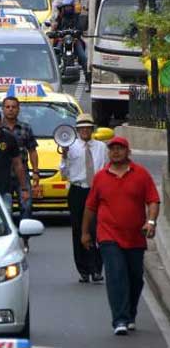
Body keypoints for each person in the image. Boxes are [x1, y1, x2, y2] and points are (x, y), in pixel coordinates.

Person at [82, 136, 160, 336]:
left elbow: (153, 200)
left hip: (135, 236)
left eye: (120, 148)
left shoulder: (141, 175)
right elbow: (90, 207)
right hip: (108, 235)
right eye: (112, 149)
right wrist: (85, 233)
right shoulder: (100, 177)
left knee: (135, 277)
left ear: (128, 152)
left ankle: (130, 312)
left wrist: (150, 222)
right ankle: (120, 319)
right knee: (116, 275)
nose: (115, 152)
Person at [60, 114, 108, 284]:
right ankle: (83, 270)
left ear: (92, 129)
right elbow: (64, 173)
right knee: (79, 230)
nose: (85, 131)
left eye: (88, 128)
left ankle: (96, 268)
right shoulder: (70, 146)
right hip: (77, 190)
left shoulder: (101, 147)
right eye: (82, 128)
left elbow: (106, 168)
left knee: (97, 230)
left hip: (96, 190)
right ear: (77, 130)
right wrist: (64, 156)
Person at [2, 96, 38, 220]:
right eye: (7, 107)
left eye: (13, 107)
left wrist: (35, 172)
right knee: (5, 209)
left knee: (26, 206)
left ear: (18, 109)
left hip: (22, 174)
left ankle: (26, 236)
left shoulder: (25, 128)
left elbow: (32, 151)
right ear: (3, 109)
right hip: (3, 175)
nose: (10, 109)